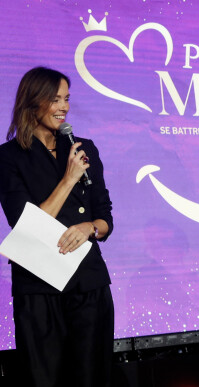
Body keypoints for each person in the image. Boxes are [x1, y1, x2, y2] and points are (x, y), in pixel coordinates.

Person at [0, 67, 114, 387]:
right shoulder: (9, 157)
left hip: (88, 283)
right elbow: (24, 223)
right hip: (39, 287)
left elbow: (106, 217)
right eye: (54, 99)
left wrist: (90, 227)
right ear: (32, 102)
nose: (63, 106)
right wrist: (68, 180)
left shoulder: (83, 149)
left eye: (66, 98)